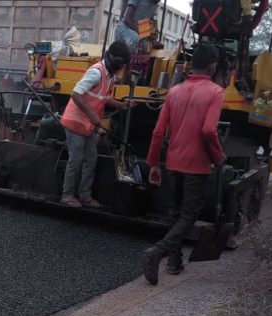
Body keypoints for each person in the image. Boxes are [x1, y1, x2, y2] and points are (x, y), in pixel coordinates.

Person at [141, 44, 227, 285]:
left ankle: (174, 262)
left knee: (175, 212)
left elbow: (158, 132)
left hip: (173, 161)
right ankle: (158, 253)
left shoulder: (175, 91)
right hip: (196, 165)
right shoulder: (215, 92)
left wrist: (154, 163)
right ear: (212, 66)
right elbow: (209, 130)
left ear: (191, 65)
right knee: (188, 216)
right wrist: (218, 156)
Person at [59, 40, 133, 208]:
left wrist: (121, 105)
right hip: (75, 122)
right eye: (120, 63)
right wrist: (91, 113)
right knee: (76, 160)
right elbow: (76, 94)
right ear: (111, 57)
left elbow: (103, 98)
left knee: (90, 159)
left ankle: (85, 196)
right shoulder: (96, 72)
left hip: (88, 125)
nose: (121, 67)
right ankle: (67, 195)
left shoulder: (110, 76)